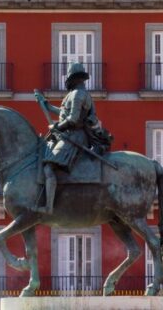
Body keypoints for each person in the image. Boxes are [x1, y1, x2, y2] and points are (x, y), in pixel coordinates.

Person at [34, 63, 110, 215]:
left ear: (73, 79)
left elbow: (73, 120)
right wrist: (47, 106)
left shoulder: (77, 95)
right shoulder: (78, 93)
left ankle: (48, 207)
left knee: (48, 167)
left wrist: (57, 127)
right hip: (70, 134)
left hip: (74, 136)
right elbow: (64, 113)